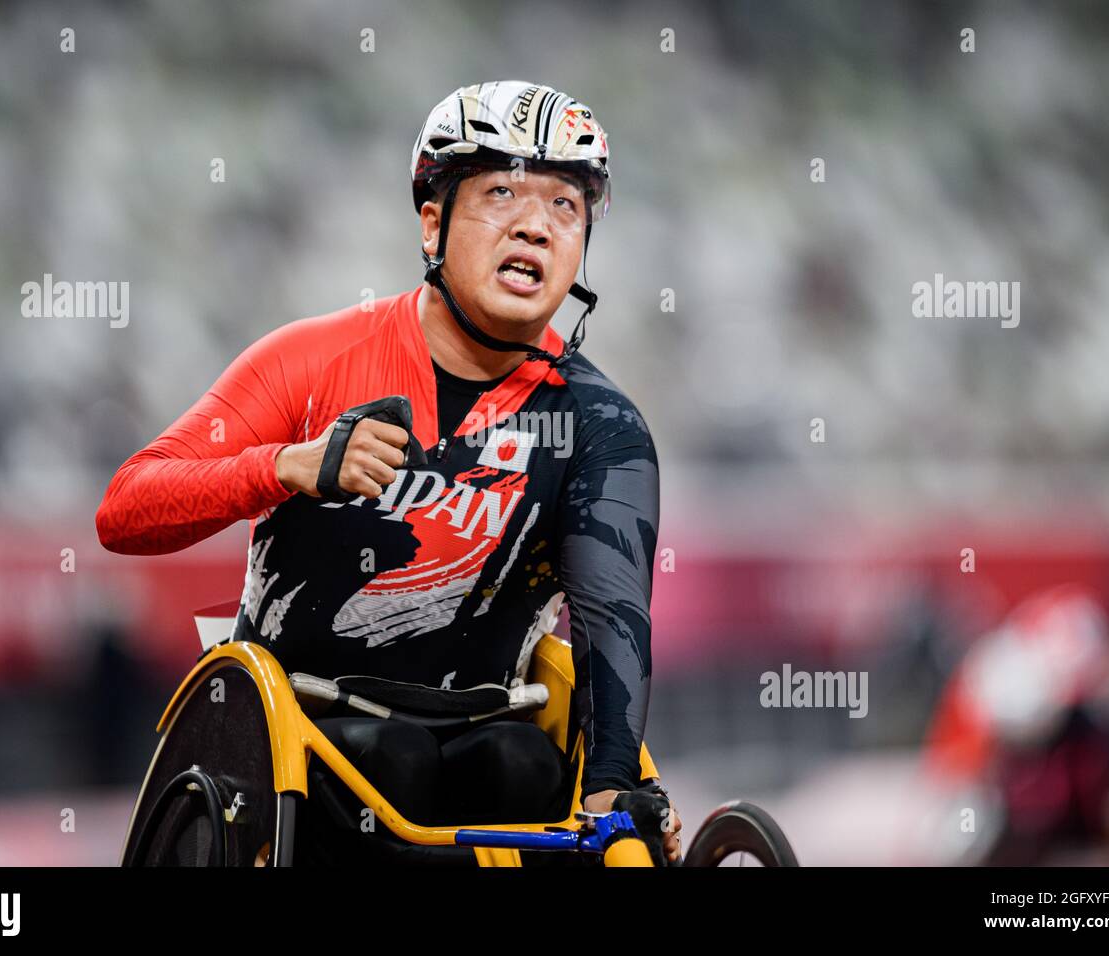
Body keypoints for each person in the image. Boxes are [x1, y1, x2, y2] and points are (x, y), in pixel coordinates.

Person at [96, 80, 681, 863]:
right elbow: (124, 512)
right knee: (393, 761)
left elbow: (612, 627)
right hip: (293, 739)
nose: (536, 226)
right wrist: (283, 467)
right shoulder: (312, 358)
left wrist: (614, 799)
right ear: (433, 225)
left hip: (488, 738)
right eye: (502, 192)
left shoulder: (601, 427)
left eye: (566, 206)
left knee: (524, 767)